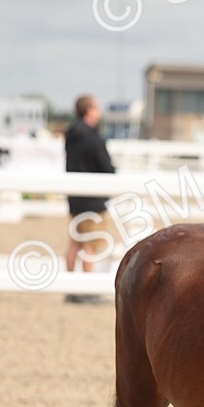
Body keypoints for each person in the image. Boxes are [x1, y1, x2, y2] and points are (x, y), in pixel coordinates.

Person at [64, 95, 116, 302]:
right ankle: (88, 290)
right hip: (92, 199)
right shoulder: (93, 138)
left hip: (75, 197)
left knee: (75, 242)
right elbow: (106, 167)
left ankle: (68, 288)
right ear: (89, 110)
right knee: (90, 244)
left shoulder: (71, 135)